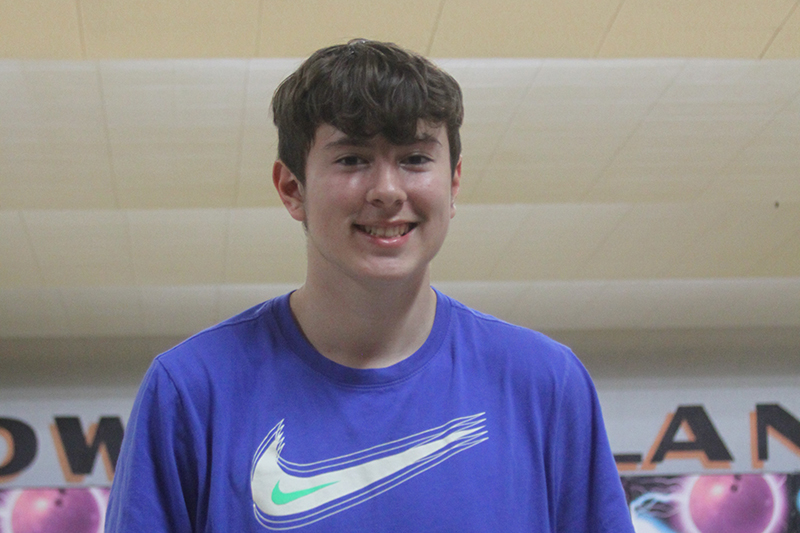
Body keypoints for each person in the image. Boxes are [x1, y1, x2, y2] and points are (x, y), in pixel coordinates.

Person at [106, 39, 634, 532]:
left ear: (452, 184)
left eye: (415, 159)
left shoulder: (545, 384)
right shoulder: (193, 391)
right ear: (292, 188)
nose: (386, 190)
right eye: (352, 159)